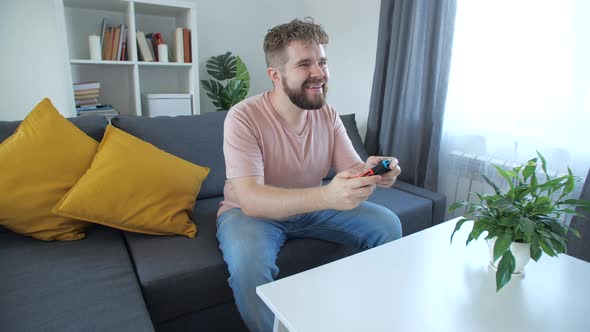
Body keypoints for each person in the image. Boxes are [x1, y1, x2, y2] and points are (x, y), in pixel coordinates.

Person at [216, 18, 402, 332]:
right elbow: (250, 200)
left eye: (322, 62)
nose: (319, 73)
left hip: (313, 208)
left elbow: (352, 169)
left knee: (388, 224)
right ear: (276, 75)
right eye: (304, 64)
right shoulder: (243, 117)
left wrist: (375, 171)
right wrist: (326, 196)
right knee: (249, 268)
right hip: (250, 215)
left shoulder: (327, 114)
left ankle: (366, 314)